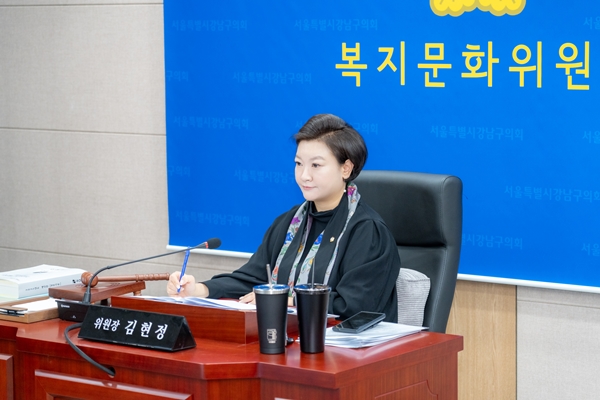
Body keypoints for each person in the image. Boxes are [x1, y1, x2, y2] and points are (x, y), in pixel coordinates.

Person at [167, 113, 401, 322]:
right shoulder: (290, 223)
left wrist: (287, 300)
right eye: (298, 164)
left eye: (316, 165)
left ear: (346, 169)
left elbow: (356, 305)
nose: (304, 175)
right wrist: (199, 290)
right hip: (291, 339)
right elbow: (253, 278)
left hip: (348, 347)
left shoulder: (367, 231)